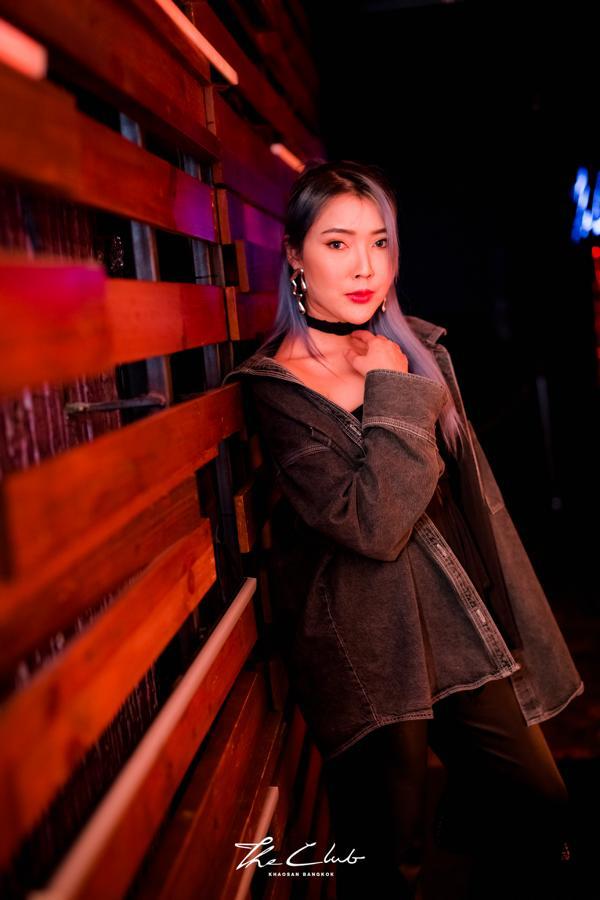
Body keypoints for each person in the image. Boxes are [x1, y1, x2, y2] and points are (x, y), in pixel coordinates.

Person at [222, 160, 584, 898]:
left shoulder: (420, 348)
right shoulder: (280, 387)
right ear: (294, 255)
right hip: (371, 646)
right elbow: (374, 524)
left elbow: (469, 506)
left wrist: (501, 615)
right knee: (392, 858)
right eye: (337, 243)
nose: (365, 266)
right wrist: (391, 387)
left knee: (540, 803)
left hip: (456, 623)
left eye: (379, 242)